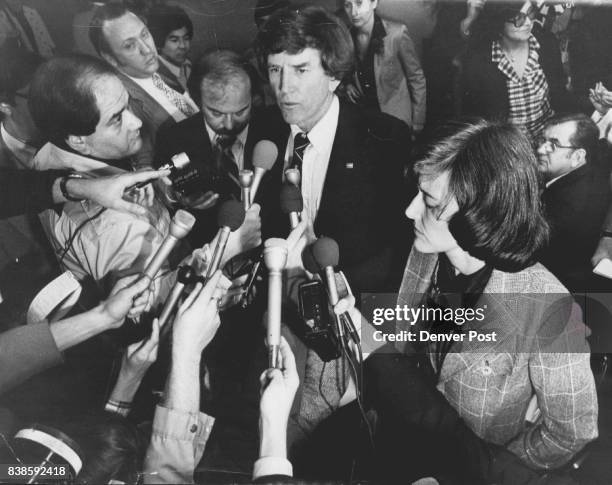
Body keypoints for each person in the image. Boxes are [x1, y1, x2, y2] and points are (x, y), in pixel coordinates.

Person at [255, 5, 412, 294]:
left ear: (334, 76)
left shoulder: (385, 140)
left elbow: (401, 248)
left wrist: (342, 290)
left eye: (301, 70)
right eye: (275, 69)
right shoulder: (263, 129)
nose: (284, 87)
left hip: (359, 307)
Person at [156, 49, 264, 243]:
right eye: (216, 113)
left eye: (241, 111)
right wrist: (179, 199)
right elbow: (163, 194)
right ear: (197, 101)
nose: (230, 125)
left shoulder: (276, 131)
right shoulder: (172, 138)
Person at [89, 4, 199, 168]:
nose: (147, 49)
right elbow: (144, 163)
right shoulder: (123, 102)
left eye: (145, 34)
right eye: (129, 45)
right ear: (110, 58)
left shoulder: (157, 67)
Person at [461, 1, 569, 141]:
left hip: (547, 140)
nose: (528, 23)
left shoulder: (547, 44)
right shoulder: (480, 60)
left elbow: (561, 96)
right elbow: (473, 118)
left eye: (531, 14)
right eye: (519, 18)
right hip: (507, 146)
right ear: (498, 21)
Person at [536, 113, 611, 292]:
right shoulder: (592, 164)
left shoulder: (565, 208)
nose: (540, 149)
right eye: (542, 140)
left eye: (553, 145)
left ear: (578, 156)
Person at [340, 0, 426, 134]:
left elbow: (416, 78)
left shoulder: (397, 33)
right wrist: (347, 85)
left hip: (396, 122)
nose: (353, 12)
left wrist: (418, 122)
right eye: (347, 5)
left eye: (359, 3)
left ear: (374, 3)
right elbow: (342, 70)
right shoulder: (346, 36)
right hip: (364, 122)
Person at [147, 5, 193, 93]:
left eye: (186, 38)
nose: (183, 46)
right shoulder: (154, 75)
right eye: (175, 40)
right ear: (158, 42)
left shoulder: (188, 66)